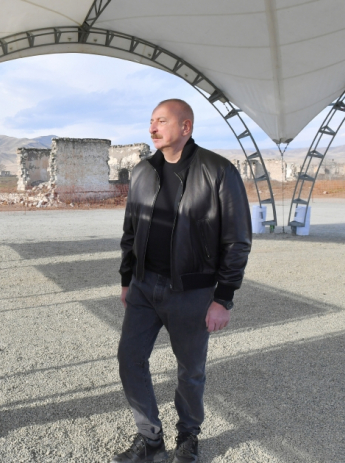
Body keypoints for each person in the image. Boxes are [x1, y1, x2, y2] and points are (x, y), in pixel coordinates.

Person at [112, 99, 251, 463]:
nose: (152, 128)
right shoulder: (142, 171)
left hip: (192, 292)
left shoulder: (218, 171)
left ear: (185, 127)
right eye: (151, 121)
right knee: (129, 359)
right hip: (144, 287)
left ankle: (188, 436)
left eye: (161, 121)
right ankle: (150, 438)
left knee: (190, 371)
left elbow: (237, 240)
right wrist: (127, 278)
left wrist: (223, 297)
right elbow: (130, 230)